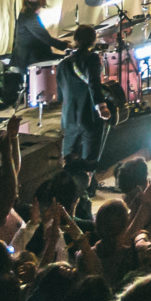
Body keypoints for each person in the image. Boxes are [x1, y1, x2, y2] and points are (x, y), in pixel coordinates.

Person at [59, 24, 111, 189]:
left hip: (69, 118)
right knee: (89, 160)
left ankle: (69, 191)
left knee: (69, 158)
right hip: (88, 115)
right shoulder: (92, 59)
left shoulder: (63, 64)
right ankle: (87, 190)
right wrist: (101, 106)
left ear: (75, 40)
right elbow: (94, 84)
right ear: (93, 41)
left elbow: (61, 94)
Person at [11, 0, 65, 65]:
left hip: (35, 57)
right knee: (66, 62)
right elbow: (45, 37)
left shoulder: (29, 15)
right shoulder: (29, 17)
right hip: (30, 59)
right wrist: (65, 45)